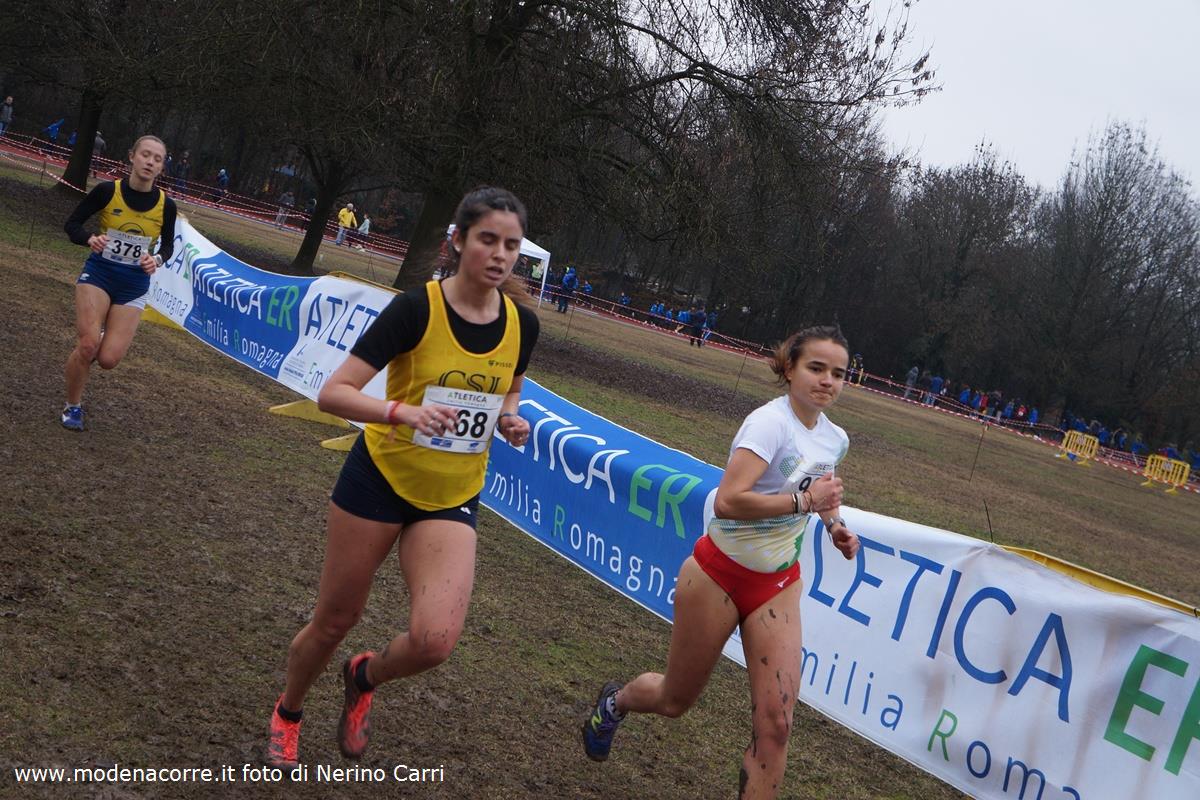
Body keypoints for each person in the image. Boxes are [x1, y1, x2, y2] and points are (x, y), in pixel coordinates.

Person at [266, 187, 541, 767]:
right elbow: (333, 393)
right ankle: (289, 711)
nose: (500, 255)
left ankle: (364, 676)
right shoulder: (416, 310)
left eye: (511, 245)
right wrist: (402, 412)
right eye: (488, 240)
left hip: (451, 494)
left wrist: (510, 419)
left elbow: (509, 392)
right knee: (335, 620)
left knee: (434, 641)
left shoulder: (523, 324)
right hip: (380, 481)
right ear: (458, 240)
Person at [581, 325, 861, 799]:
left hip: (777, 584)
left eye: (838, 373)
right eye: (816, 368)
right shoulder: (769, 424)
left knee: (777, 724)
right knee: (674, 700)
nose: (827, 381)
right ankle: (616, 702)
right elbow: (730, 501)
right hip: (718, 575)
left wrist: (834, 525)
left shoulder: (835, 438)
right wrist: (805, 502)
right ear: (789, 368)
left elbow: (820, 489)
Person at [60, 135, 177, 431]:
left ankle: (93, 340)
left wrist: (157, 260)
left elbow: (168, 247)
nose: (150, 162)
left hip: (133, 284)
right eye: (145, 155)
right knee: (88, 345)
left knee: (109, 359)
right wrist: (90, 239)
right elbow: (72, 224)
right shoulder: (106, 191)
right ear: (132, 156)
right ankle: (73, 406)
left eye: (157, 159)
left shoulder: (166, 205)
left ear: (161, 168)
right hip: (100, 274)